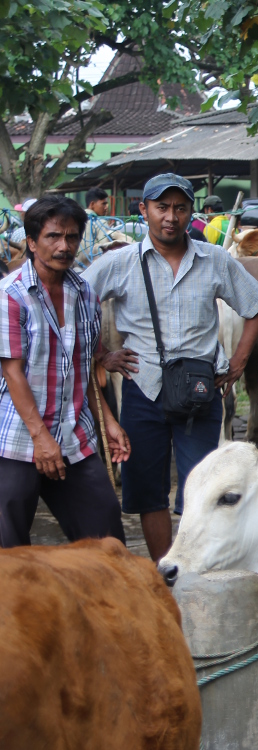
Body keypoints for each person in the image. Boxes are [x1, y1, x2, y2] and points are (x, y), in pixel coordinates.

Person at [84, 173, 258, 561]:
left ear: (190, 213)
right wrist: (102, 355)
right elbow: (78, 303)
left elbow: (256, 304)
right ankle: (163, 572)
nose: (171, 217)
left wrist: (239, 361)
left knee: (202, 490)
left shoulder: (215, 259)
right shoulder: (119, 262)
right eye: (162, 207)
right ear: (144, 210)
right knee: (148, 491)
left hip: (200, 390)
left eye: (180, 208)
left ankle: (193, 571)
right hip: (142, 387)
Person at [0, 196, 128, 547]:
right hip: (16, 440)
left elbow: (85, 367)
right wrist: (41, 438)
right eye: (53, 236)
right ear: (31, 242)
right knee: (10, 553)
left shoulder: (84, 293)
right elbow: (12, 373)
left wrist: (108, 420)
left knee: (106, 538)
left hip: (73, 436)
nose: (64, 246)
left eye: (72, 237)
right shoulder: (10, 295)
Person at [75, 188, 115, 271]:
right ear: (92, 204)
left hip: (74, 267)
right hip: (91, 268)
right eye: (103, 204)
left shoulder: (75, 220)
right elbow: (105, 248)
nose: (106, 207)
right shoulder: (100, 222)